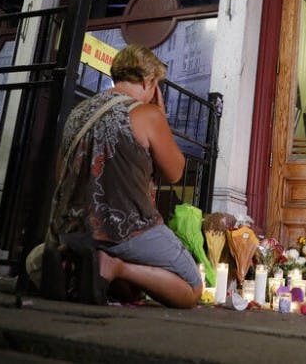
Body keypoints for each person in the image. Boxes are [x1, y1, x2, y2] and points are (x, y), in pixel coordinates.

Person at [45, 44, 202, 308]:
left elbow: (60, 173)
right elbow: (175, 172)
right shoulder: (146, 113)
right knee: (192, 288)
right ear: (148, 80)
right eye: (156, 84)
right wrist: (160, 118)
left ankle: (73, 262)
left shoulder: (78, 113)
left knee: (130, 293)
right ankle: (115, 268)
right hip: (125, 229)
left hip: (73, 228)